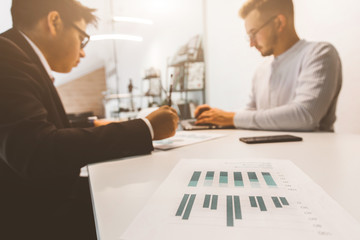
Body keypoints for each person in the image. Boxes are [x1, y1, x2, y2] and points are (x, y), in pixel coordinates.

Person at [0, 0, 178, 239]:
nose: (83, 52)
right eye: (82, 38)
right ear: (54, 21)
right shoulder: (7, 56)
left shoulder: (16, 54)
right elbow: (37, 151)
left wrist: (92, 124)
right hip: (34, 218)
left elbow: (34, 128)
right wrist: (146, 129)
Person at [195, 0, 342, 132]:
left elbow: (305, 115)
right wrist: (216, 116)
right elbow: (251, 113)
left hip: (312, 157)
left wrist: (230, 117)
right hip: (267, 157)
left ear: (279, 23)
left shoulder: (320, 53)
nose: (251, 43)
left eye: (254, 33)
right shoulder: (261, 70)